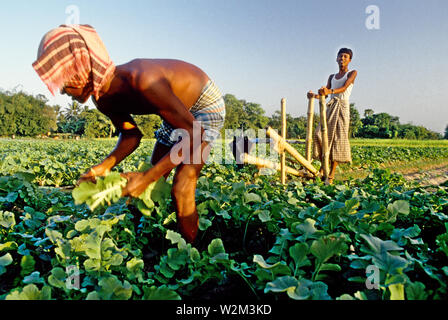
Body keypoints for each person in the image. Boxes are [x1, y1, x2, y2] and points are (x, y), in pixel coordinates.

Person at [32, 25, 226, 243]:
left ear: (79, 72)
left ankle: (192, 258)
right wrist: (101, 168)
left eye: (63, 83)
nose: (62, 91)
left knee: (182, 186)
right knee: (153, 181)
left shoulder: (142, 80)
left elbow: (194, 133)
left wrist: (145, 178)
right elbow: (131, 136)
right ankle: (146, 240)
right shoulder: (101, 98)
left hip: (202, 106)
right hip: (176, 113)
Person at [307, 48, 357, 184]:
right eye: (340, 56)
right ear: (336, 59)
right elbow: (326, 95)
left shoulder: (352, 73)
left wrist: (330, 90)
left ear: (349, 60)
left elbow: (344, 88)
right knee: (319, 134)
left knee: (337, 140)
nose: (342, 58)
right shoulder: (332, 76)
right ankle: (324, 167)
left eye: (345, 57)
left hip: (342, 107)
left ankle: (331, 175)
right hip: (330, 106)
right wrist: (314, 95)